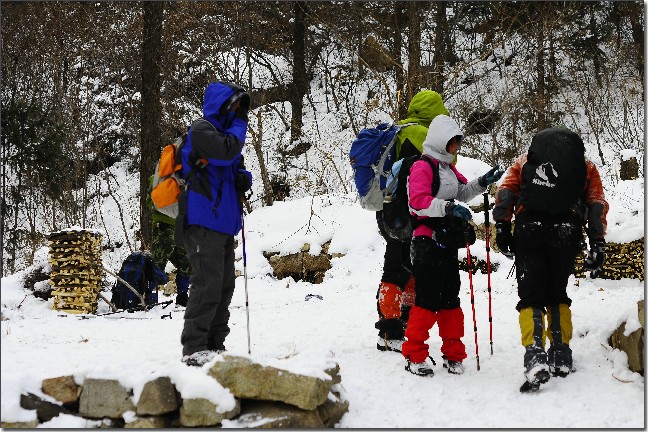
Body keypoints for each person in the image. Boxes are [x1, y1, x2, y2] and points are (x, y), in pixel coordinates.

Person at [492, 127, 608, 390]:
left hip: (529, 227)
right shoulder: (584, 166)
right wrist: (597, 242)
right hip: (566, 230)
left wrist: (502, 226)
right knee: (557, 292)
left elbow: (506, 191)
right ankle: (561, 353)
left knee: (530, 296)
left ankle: (534, 355)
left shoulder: (525, 161)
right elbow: (597, 203)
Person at [401, 114, 503, 376]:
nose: (456, 148)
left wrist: (483, 182)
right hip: (426, 242)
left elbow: (461, 192)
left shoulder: (446, 167)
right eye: (452, 143)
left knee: (450, 299)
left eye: (457, 143)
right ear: (440, 141)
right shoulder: (423, 167)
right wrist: (448, 208)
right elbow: (417, 202)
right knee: (426, 299)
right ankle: (414, 354)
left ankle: (454, 354)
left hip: (446, 242)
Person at [179, 81, 252, 367]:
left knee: (224, 287)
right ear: (221, 105)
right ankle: (195, 347)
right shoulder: (201, 130)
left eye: (240, 107)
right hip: (202, 221)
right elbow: (227, 151)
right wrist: (240, 123)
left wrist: (243, 178)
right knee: (206, 284)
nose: (237, 111)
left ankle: (214, 343)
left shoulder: (224, 134)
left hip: (223, 223)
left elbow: (234, 164)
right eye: (234, 105)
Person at [375, 90, 450, 353]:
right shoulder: (420, 135)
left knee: (406, 263)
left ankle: (401, 319)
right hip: (404, 212)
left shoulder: (402, 129)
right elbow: (428, 175)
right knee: (398, 266)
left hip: (391, 209)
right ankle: (390, 328)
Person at [147, 175, 192, 307]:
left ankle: (183, 296)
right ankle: (150, 295)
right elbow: (150, 201)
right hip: (163, 224)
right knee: (159, 258)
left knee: (186, 260)